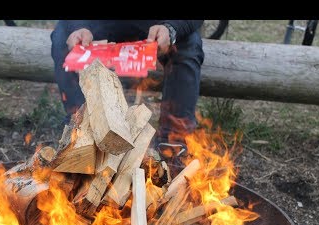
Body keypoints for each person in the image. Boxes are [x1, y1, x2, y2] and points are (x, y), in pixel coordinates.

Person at [50, 20, 205, 150]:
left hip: (157, 25)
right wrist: (78, 26)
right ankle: (81, 134)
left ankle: (172, 144)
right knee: (62, 38)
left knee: (189, 46)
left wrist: (172, 28)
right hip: (100, 24)